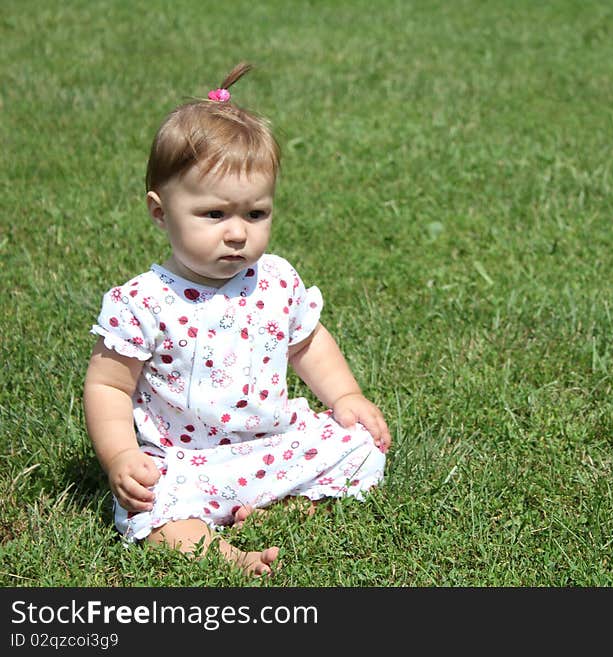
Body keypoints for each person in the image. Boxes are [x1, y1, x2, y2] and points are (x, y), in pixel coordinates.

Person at [83, 62, 391, 576]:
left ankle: (286, 507)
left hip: (270, 445)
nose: (237, 233)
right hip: (185, 463)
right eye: (214, 214)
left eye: (255, 214)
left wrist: (346, 398)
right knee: (150, 504)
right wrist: (120, 458)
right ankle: (227, 556)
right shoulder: (143, 301)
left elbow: (307, 344)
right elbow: (110, 387)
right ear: (160, 213)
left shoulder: (275, 280)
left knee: (363, 447)